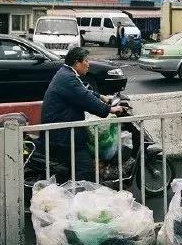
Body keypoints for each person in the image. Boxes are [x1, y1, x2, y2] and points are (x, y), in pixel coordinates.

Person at [40, 47, 125, 182]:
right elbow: (84, 98)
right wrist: (110, 109)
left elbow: (83, 90)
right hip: (64, 135)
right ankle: (82, 196)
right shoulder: (68, 79)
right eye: (86, 61)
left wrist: (101, 96)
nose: (88, 64)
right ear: (77, 63)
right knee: (85, 171)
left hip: (61, 131)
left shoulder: (66, 74)